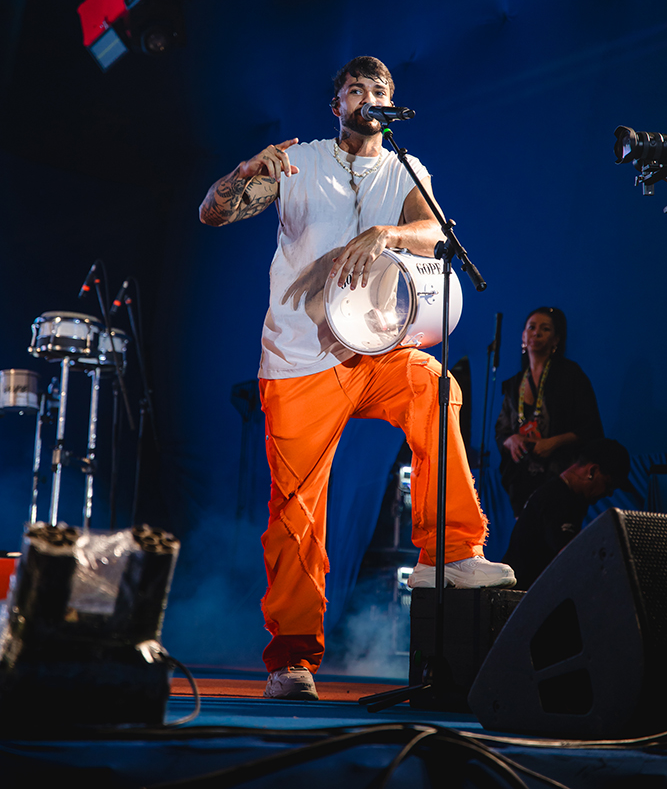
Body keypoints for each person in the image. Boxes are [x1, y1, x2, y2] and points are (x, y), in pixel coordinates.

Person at [200, 55, 515, 702]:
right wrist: (241, 176)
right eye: (353, 89)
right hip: (300, 358)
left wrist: (383, 233)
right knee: (295, 512)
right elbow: (212, 213)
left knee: (435, 385)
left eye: (378, 89)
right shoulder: (300, 162)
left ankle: (451, 552)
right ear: (336, 104)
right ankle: (291, 659)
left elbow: (433, 232)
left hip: (373, 349)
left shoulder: (404, 168)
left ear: (390, 103)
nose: (366, 96)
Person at [495, 307, 603, 517]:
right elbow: (501, 431)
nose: (536, 333)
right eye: (532, 328)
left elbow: (590, 427)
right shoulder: (514, 384)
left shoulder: (571, 376)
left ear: (556, 340)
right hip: (522, 480)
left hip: (561, 476)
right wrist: (512, 440)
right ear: (523, 336)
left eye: (545, 329)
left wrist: (553, 442)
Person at [503, 437, 631, 589]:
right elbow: (568, 555)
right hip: (522, 594)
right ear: (592, 471)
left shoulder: (571, 497)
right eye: (608, 485)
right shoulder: (556, 498)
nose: (609, 494)